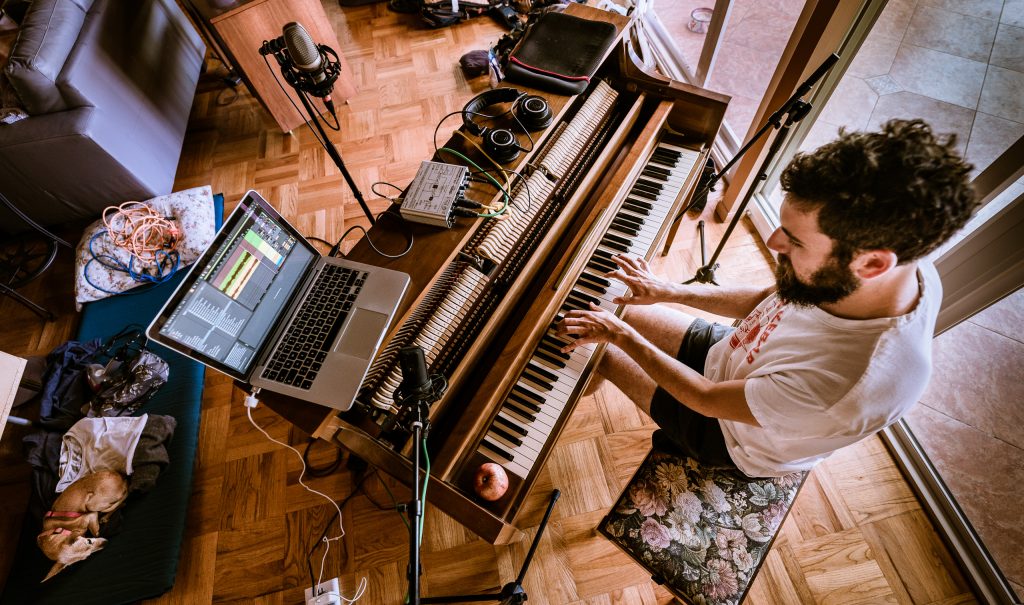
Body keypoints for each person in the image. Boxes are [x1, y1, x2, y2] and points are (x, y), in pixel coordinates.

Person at [556, 119, 977, 477]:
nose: (774, 242)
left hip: (728, 435)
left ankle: (551, 402)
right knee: (604, 305)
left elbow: (704, 399)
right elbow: (770, 297)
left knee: (598, 351)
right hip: (735, 358)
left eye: (793, 241)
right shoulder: (902, 269)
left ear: (871, 264)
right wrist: (669, 291)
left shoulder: (847, 386)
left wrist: (620, 337)